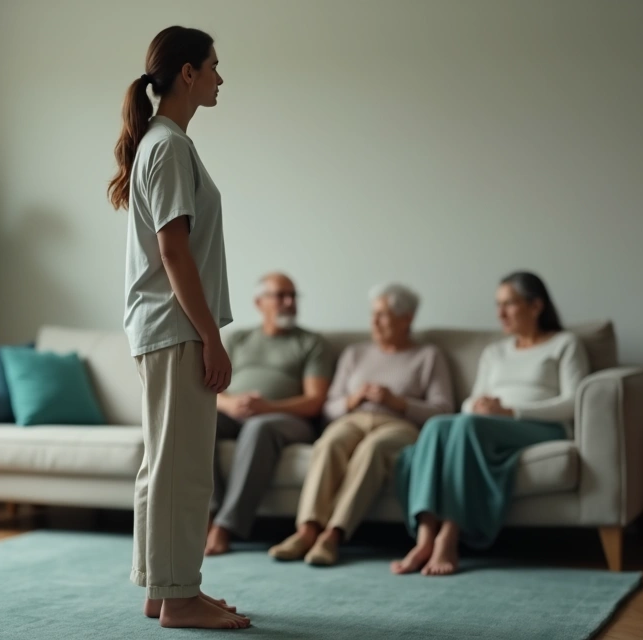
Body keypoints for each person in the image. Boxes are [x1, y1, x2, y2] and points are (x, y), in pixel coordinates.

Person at [108, 26, 249, 630]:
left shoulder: (164, 144)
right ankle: (180, 597)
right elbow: (175, 253)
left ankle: (161, 591)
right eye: (214, 66)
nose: (221, 77)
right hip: (176, 328)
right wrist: (211, 338)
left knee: (164, 463)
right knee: (182, 466)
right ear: (187, 73)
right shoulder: (167, 146)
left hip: (165, 326)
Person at [391, 271, 590, 576]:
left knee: (467, 426)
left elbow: (575, 401)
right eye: (498, 305)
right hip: (488, 425)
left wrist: (512, 412)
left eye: (509, 304)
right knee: (437, 424)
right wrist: (480, 406)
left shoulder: (565, 344)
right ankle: (425, 537)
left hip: (541, 427)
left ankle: (449, 538)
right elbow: (471, 402)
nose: (500, 314)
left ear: (535, 306)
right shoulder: (494, 352)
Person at [268, 283, 454, 566]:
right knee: (329, 442)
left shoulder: (428, 356)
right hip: (352, 419)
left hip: (398, 425)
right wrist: (351, 401)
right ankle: (307, 531)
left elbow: (443, 411)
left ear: (407, 318)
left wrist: (399, 402)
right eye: (373, 314)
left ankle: (333, 535)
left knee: (373, 449)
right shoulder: (355, 353)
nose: (374, 321)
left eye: (383, 314)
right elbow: (328, 408)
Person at [205, 272, 333, 556]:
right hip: (233, 411)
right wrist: (229, 404)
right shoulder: (238, 339)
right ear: (259, 302)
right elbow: (208, 388)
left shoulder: (312, 343)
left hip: (289, 421)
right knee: (200, 421)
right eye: (280, 296)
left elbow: (315, 401)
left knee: (259, 427)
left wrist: (268, 408)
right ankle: (206, 517)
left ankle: (226, 527)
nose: (289, 302)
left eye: (293, 296)